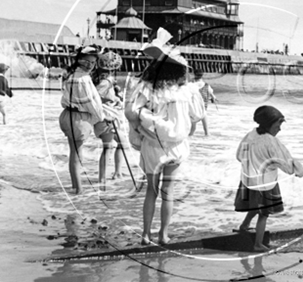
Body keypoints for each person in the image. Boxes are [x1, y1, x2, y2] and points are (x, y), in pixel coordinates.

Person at [127, 28, 205, 245]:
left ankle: (145, 234)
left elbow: (132, 112)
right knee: (168, 191)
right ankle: (163, 234)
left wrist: (142, 126)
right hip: (176, 147)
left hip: (153, 145)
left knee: (151, 192)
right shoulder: (185, 90)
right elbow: (197, 114)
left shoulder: (147, 87)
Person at [234, 105, 303, 252]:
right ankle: (258, 244)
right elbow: (286, 163)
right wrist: (301, 171)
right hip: (265, 183)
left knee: (255, 205)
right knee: (264, 213)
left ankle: (244, 226)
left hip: (249, 181)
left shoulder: (250, 135)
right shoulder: (271, 141)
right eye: (278, 125)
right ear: (269, 124)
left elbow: (239, 156)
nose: (280, 129)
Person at [59, 45, 107, 194]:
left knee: (74, 152)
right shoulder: (84, 79)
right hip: (78, 119)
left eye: (93, 62)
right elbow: (91, 103)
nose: (91, 66)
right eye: (88, 62)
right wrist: (101, 118)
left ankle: (75, 186)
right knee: (77, 154)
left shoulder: (71, 75)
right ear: (80, 61)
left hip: (67, 115)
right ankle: (79, 190)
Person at [92, 51, 125, 189]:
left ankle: (117, 172)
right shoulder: (107, 81)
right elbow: (96, 96)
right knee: (108, 147)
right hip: (107, 116)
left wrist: (116, 98)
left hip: (106, 116)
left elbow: (100, 95)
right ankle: (102, 179)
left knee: (119, 143)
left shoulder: (101, 78)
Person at [189, 69, 216, 136]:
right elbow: (213, 96)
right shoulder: (206, 85)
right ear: (202, 75)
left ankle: (190, 141)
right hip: (203, 110)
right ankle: (208, 142)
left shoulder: (191, 85)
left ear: (194, 74)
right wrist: (212, 99)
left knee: (192, 129)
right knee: (206, 131)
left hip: (194, 110)